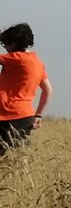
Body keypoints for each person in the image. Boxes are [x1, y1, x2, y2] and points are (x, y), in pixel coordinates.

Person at [0, 24, 51, 154]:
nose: (5, 47)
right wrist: (38, 114)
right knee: (16, 157)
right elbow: (48, 90)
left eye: (5, 43)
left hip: (8, 114)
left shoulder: (18, 58)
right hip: (25, 116)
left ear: (14, 43)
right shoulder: (38, 63)